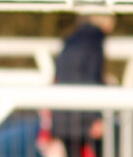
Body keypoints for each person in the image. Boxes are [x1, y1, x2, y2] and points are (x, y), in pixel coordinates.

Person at [50, 14, 116, 157]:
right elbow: (91, 80)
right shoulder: (94, 42)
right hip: (83, 118)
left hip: (64, 115)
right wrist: (96, 117)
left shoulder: (70, 40)